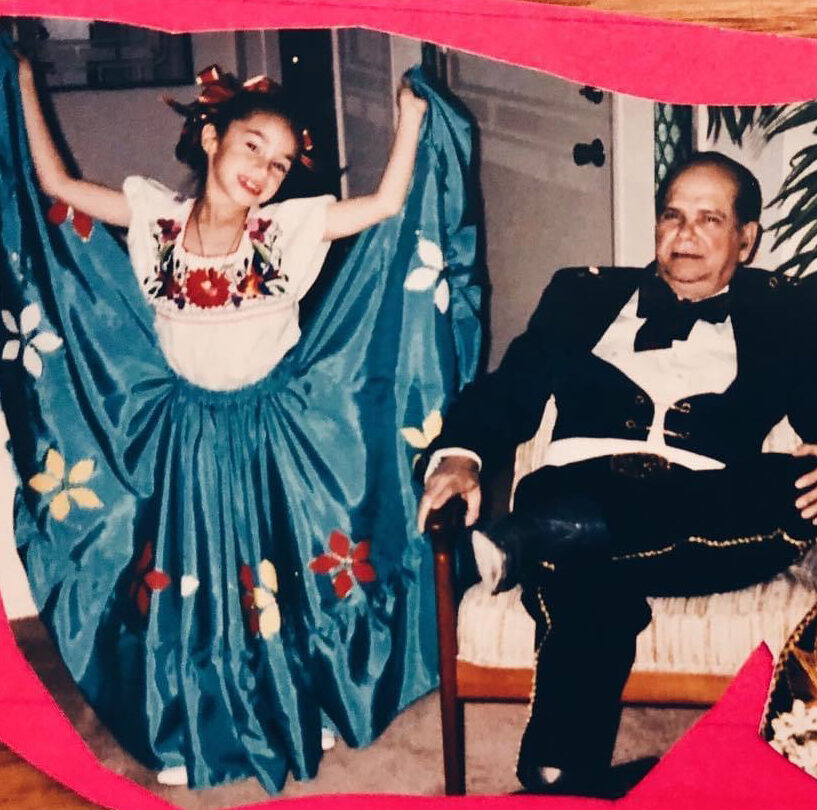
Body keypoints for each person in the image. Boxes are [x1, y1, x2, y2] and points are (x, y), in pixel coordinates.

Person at [4, 48, 480, 791]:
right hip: (184, 433)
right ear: (210, 138)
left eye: (282, 163)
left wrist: (411, 115)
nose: (264, 169)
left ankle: (300, 701)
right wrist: (27, 83)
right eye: (253, 146)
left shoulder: (290, 228)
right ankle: (186, 723)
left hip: (272, 431)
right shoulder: (152, 213)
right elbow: (55, 183)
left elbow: (386, 205)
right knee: (196, 584)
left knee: (278, 579)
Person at [418, 151, 817, 796]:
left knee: (786, 484)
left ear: (746, 239)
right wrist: (458, 454)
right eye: (673, 216)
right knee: (585, 558)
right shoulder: (580, 294)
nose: (685, 234)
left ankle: (541, 552)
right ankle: (569, 780)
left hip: (712, 511)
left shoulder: (784, 312)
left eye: (709, 219)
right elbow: (511, 390)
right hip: (581, 480)